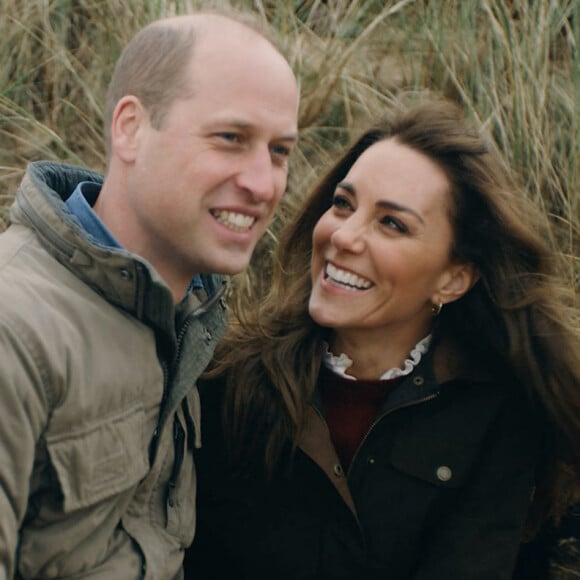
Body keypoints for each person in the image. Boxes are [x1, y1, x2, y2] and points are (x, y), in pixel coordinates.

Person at [184, 99, 580, 579]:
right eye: (343, 204)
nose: (344, 236)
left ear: (453, 280)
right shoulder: (228, 381)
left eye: (392, 223)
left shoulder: (500, 415)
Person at [0, 10, 299, 579]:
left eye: (279, 151)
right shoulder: (15, 328)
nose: (264, 184)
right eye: (231, 138)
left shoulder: (186, 315)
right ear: (131, 128)